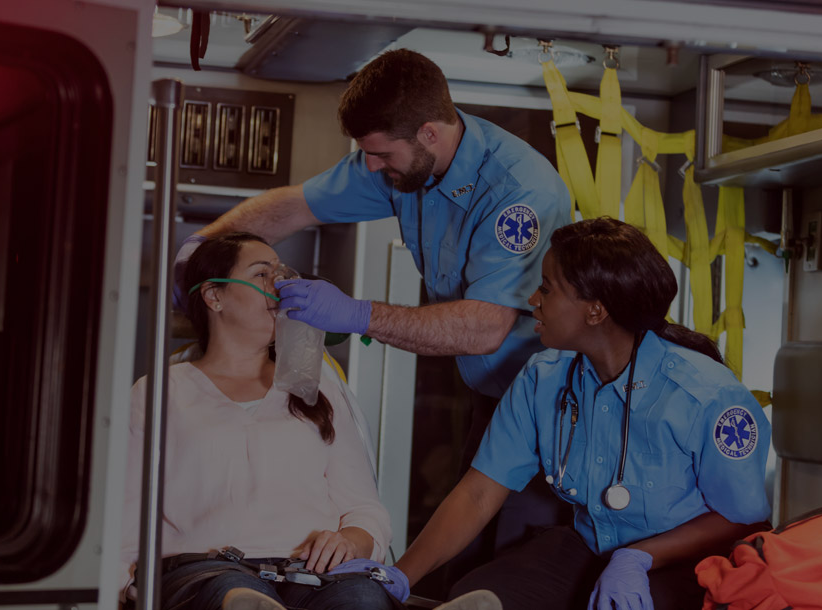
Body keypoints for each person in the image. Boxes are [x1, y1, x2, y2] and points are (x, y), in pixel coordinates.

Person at [176, 48, 574, 561]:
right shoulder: (393, 161)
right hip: (489, 397)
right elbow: (293, 205)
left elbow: (484, 330)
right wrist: (197, 250)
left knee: (517, 563)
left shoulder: (518, 194)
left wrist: (354, 314)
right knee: (466, 559)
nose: (371, 166)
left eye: (382, 154)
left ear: (430, 133)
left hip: (553, 408)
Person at [383, 218, 773, 610]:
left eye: (547, 288)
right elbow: (480, 492)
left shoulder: (708, 397)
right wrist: (397, 576)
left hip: (687, 563)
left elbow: (744, 520)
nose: (532, 299)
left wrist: (639, 556)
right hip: (587, 546)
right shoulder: (543, 378)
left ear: (595, 311)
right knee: (482, 596)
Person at [122, 233, 502, 610]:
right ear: (214, 296)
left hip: (313, 574)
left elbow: (364, 509)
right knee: (234, 598)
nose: (282, 286)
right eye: (262, 274)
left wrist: (352, 540)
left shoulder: (315, 384)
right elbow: (123, 518)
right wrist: (120, 589)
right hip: (207, 572)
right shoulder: (159, 392)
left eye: (283, 273)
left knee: (362, 599)